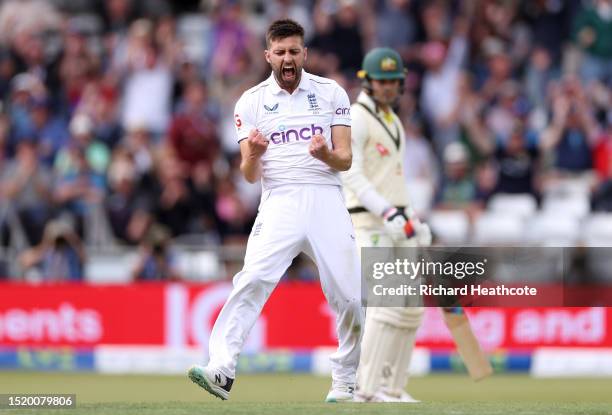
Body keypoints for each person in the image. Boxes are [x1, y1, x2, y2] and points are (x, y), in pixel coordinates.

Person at [188, 19, 364, 403]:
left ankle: (345, 379)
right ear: (268, 55)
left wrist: (325, 154)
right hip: (280, 199)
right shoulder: (250, 102)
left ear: (305, 53)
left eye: (294, 51)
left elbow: (346, 159)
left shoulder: (331, 92)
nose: (288, 58)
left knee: (350, 296)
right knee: (251, 280)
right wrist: (253, 153)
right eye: (280, 52)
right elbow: (250, 175)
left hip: (324, 197)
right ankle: (221, 368)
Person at [341, 47, 431, 402]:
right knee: (386, 304)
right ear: (368, 81)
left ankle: (393, 387)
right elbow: (352, 174)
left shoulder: (393, 120)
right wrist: (388, 212)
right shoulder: (356, 117)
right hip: (371, 223)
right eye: (382, 81)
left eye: (394, 81)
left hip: (398, 221)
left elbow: (393, 177)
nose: (389, 87)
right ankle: (367, 388)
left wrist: (410, 215)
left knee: (411, 307)